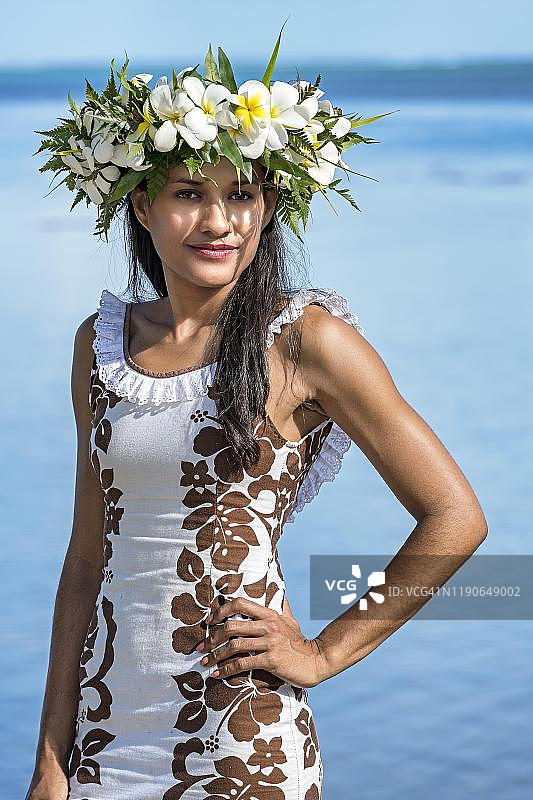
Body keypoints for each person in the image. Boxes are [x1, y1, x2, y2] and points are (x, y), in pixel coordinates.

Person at [26, 45, 488, 800]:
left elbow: (455, 519)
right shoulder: (102, 345)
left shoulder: (307, 342)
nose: (218, 222)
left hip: (241, 736)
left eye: (240, 195)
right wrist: (51, 756)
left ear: (267, 208)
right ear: (142, 207)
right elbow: (86, 557)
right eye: (187, 194)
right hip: (107, 735)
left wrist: (324, 653)